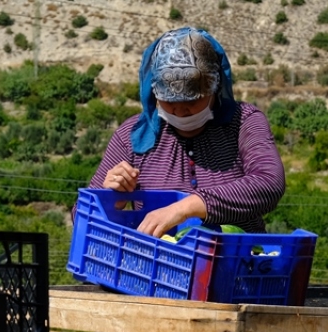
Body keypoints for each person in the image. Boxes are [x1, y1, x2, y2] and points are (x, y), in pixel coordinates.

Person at [90, 27, 286, 238]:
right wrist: (110, 199)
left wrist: (186, 208)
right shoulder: (132, 136)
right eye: (170, 102)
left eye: (192, 100)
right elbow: (83, 216)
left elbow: (269, 182)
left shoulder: (244, 122)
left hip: (235, 262)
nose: (181, 111)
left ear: (215, 88)